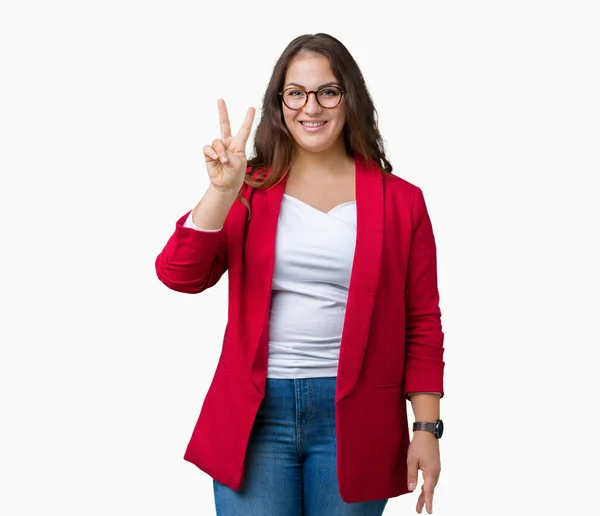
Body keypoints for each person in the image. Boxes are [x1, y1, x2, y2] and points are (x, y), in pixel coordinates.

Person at [155, 32, 445, 516]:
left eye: (327, 91)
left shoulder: (401, 201)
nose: (311, 106)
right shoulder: (250, 189)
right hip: (255, 417)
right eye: (296, 93)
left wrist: (427, 429)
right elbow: (179, 275)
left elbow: (422, 321)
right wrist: (221, 192)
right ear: (280, 102)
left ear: (350, 98)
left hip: (355, 420)